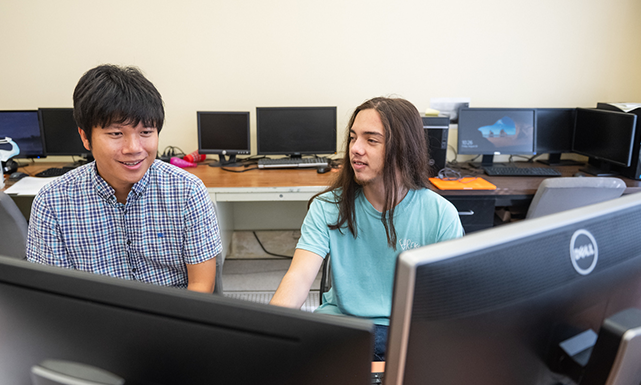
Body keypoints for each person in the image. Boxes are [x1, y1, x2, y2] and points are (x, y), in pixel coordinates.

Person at [269, 97, 464, 360]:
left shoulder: (441, 214)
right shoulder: (328, 206)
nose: (355, 149)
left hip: (405, 335)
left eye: (371, 140)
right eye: (353, 138)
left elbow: (451, 304)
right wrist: (268, 335)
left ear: (402, 148)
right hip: (343, 329)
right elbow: (299, 278)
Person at [26, 64, 221, 293]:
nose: (134, 148)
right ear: (85, 138)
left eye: (146, 132)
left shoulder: (186, 190)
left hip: (174, 319)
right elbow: (54, 294)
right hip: (95, 320)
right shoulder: (53, 202)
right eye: (116, 134)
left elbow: (200, 284)